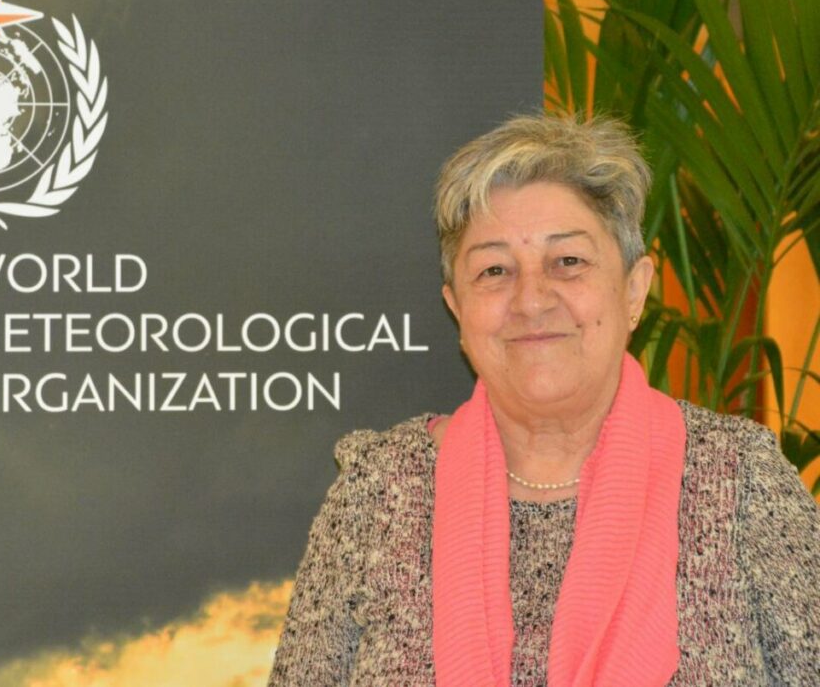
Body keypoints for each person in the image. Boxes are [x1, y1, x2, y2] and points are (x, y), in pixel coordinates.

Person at [267, 115, 820, 686]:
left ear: (634, 290)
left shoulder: (738, 477)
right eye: (494, 270)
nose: (531, 300)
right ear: (457, 309)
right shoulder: (377, 491)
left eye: (568, 262)